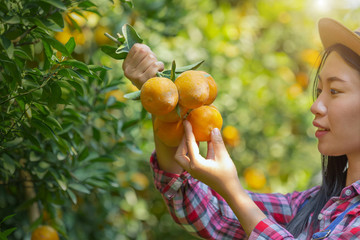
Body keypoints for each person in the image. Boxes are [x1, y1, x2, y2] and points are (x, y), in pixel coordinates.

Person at [122, 18, 360, 239]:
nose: (316, 106)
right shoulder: (312, 205)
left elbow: (236, 207)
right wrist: (163, 102)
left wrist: (233, 191)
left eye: (335, 91)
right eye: (319, 91)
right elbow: (206, 211)